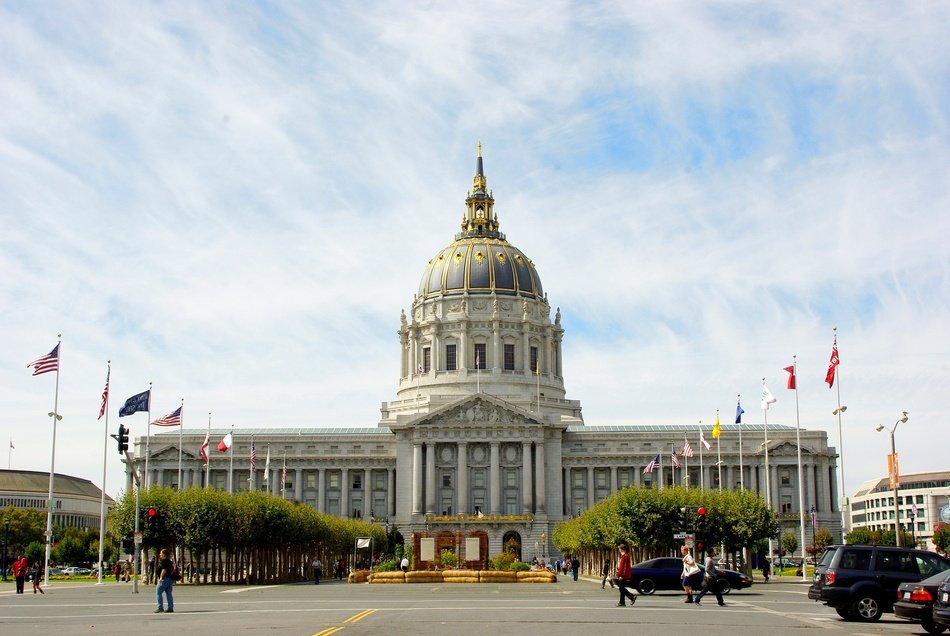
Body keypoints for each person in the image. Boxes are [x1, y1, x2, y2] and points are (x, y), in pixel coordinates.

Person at [155, 548, 176, 613]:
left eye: (161, 553)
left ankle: (160, 607)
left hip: (165, 579)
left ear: (164, 554)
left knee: (158, 592)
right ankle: (170, 608)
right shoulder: (170, 561)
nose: (160, 554)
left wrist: (161, 578)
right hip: (170, 579)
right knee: (169, 593)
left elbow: (164, 570)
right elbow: (174, 567)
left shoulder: (163, 561)